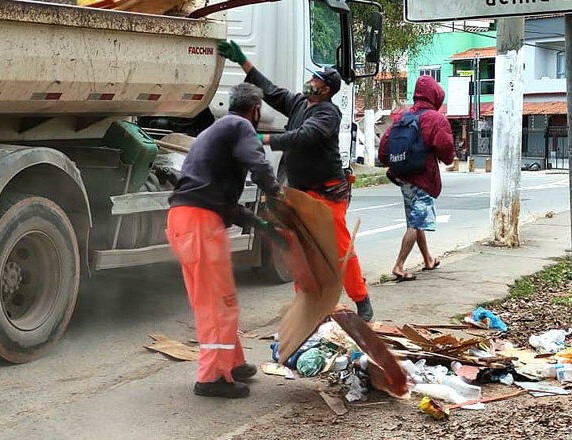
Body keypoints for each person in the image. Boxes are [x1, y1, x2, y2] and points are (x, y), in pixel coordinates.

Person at [218, 40, 374, 322]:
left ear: (325, 89)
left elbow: (304, 137)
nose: (309, 81)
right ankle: (306, 303)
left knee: (339, 251)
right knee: (300, 251)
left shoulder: (328, 113)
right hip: (301, 193)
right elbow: (271, 91)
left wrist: (261, 138)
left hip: (328, 195)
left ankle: (361, 299)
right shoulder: (300, 103)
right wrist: (243, 61)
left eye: (315, 79)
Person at [167, 83, 284, 398]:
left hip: (184, 221)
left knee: (217, 298)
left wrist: (259, 224)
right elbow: (259, 165)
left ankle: (231, 363)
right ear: (256, 109)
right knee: (218, 303)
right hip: (201, 224)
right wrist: (278, 196)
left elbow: (224, 202)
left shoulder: (216, 131)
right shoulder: (241, 126)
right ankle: (212, 377)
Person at [378, 75, 455, 281]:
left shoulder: (402, 117)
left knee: (415, 218)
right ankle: (399, 265)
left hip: (403, 177)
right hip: (423, 178)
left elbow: (383, 150)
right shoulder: (435, 119)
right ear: (435, 96)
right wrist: (446, 159)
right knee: (415, 222)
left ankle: (428, 259)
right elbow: (447, 152)